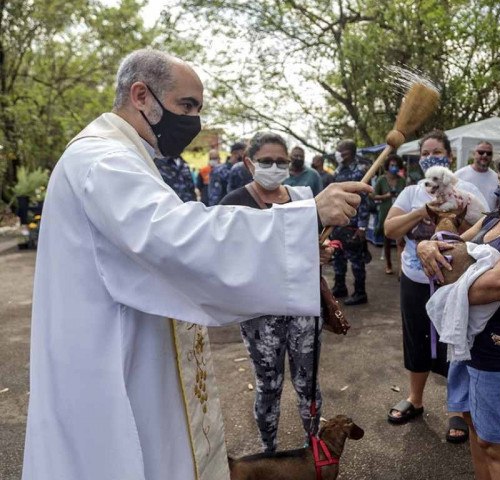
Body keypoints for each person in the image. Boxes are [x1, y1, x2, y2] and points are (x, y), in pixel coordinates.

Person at [21, 49, 370, 480]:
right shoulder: (102, 160)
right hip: (109, 358)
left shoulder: (120, 155)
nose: (195, 122)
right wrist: (307, 218)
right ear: (141, 95)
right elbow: (177, 236)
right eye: (187, 106)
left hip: (128, 341)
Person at [417, 146, 500, 479]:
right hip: (471, 346)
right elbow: (450, 243)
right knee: (475, 429)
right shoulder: (498, 217)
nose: (497, 188)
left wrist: (448, 285)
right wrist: (427, 245)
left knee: (498, 445)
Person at [219, 132, 323, 453]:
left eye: (281, 161)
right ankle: (269, 453)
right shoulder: (234, 202)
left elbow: (311, 244)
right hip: (260, 314)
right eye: (266, 161)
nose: (275, 167)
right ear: (250, 163)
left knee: (308, 384)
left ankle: (314, 448)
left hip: (303, 308)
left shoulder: (303, 197)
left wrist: (321, 251)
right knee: (269, 385)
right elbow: (223, 255)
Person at [383, 130, 487, 442]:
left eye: (437, 151)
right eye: (425, 153)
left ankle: (456, 409)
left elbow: (483, 230)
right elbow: (389, 229)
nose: (431, 157)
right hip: (414, 279)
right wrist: (422, 212)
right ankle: (415, 399)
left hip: (453, 282)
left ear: (450, 156)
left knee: (455, 339)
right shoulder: (413, 191)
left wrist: (459, 216)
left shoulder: (465, 192)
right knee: (416, 336)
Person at [330, 139, 371, 305]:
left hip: (353, 225)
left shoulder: (360, 172)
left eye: (341, 151)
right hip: (339, 224)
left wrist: (362, 227)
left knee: (356, 261)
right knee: (338, 256)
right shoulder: (338, 171)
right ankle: (340, 287)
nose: (338, 154)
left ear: (350, 152)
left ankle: (360, 293)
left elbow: (365, 201)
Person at [372, 154, 406, 274]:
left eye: (396, 165)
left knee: (400, 241)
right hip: (385, 212)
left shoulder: (402, 180)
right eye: (392, 165)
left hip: (400, 213)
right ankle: (388, 264)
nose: (394, 167)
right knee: (387, 241)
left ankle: (402, 268)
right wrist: (385, 196)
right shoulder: (381, 179)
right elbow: (373, 195)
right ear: (388, 166)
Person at [455, 141, 499, 209]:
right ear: (474, 154)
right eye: (481, 152)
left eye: (489, 153)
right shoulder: (459, 175)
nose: (485, 155)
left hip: (489, 218)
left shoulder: (497, 178)